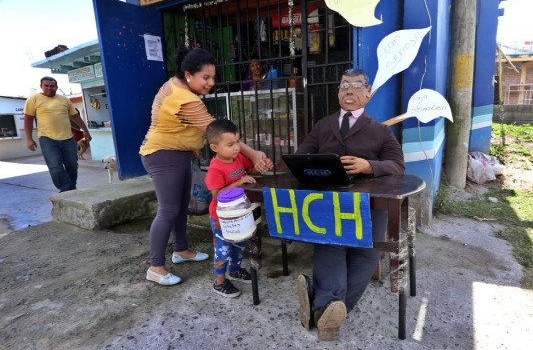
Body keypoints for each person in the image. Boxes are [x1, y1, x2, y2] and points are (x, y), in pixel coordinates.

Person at [139, 47, 273, 286]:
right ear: (188, 74)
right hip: (163, 155)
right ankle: (155, 266)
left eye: (213, 77)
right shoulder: (185, 98)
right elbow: (217, 133)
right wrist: (253, 153)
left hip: (177, 154)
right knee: (168, 210)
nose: (211, 83)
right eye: (206, 78)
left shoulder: (176, 84)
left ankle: (181, 250)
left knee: (180, 206)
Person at [294, 67, 405, 341]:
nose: (349, 90)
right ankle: (328, 314)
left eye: (357, 85)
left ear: (368, 93)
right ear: (338, 93)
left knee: (367, 253)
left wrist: (370, 165)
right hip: (328, 202)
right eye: (344, 85)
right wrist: (314, 163)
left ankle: (322, 307)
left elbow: (398, 165)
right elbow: (301, 155)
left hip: (370, 203)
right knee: (329, 246)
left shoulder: (380, 131)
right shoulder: (323, 125)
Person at [204, 119, 265, 297]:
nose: (236, 147)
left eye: (238, 142)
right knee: (223, 249)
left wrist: (259, 167)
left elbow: (250, 170)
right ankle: (220, 282)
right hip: (221, 218)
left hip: (240, 213)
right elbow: (217, 195)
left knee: (240, 243)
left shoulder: (238, 157)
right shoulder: (215, 169)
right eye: (230, 144)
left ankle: (235, 270)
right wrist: (239, 182)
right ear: (214, 147)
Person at [23, 76, 92, 192]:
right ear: (41, 86)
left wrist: (85, 130)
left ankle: (72, 186)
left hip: (68, 138)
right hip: (47, 138)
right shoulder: (33, 99)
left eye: (52, 86)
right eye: (47, 86)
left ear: (56, 87)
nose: (50, 88)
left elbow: (75, 116)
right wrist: (29, 139)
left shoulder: (64, 100)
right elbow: (28, 119)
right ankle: (66, 189)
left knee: (72, 165)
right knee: (55, 166)